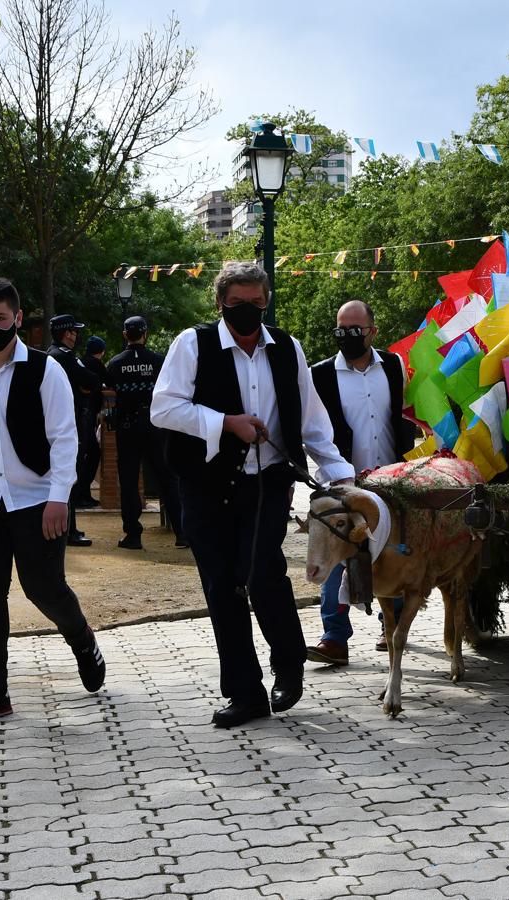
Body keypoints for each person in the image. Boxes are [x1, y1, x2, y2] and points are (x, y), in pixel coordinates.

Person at [151, 261, 355, 728]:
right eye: (238, 303)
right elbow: (164, 408)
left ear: (267, 301)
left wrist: (341, 477)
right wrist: (225, 423)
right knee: (221, 588)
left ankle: (289, 664)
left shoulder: (287, 348)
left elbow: (311, 423)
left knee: (262, 574)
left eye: (256, 303)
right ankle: (245, 694)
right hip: (204, 485)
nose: (248, 311)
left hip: (266, 484)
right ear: (221, 302)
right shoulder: (192, 344)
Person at [0, 277, 105, 726]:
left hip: (36, 500)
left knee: (43, 588)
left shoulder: (46, 370)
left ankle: (82, 636)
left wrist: (59, 498)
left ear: (17, 318)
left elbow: (66, 438)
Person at [307, 300, 418, 666]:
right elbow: (311, 429)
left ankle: (392, 627)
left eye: (355, 329)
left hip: (391, 477)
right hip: (343, 480)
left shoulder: (394, 366)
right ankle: (334, 638)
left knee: (395, 550)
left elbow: (406, 413)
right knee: (339, 554)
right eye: (341, 330)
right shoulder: (318, 375)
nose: (348, 336)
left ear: (372, 330)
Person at [104, 316, 183, 550]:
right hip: (155, 424)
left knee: (128, 480)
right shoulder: (158, 361)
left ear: (125, 335)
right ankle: (182, 532)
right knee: (168, 478)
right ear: (145, 334)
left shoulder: (115, 363)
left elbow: (109, 393)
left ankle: (133, 534)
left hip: (127, 427)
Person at [47, 314, 99, 545]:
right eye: (74, 331)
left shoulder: (49, 355)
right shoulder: (65, 357)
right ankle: (69, 530)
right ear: (66, 333)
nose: (76, 335)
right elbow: (91, 381)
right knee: (70, 475)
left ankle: (68, 528)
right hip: (71, 422)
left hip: (55, 423)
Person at [78, 335, 109, 508]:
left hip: (82, 412)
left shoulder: (81, 362)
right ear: (102, 351)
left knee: (85, 453)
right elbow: (111, 381)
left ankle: (82, 493)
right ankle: (82, 494)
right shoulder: (96, 364)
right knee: (92, 453)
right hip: (88, 414)